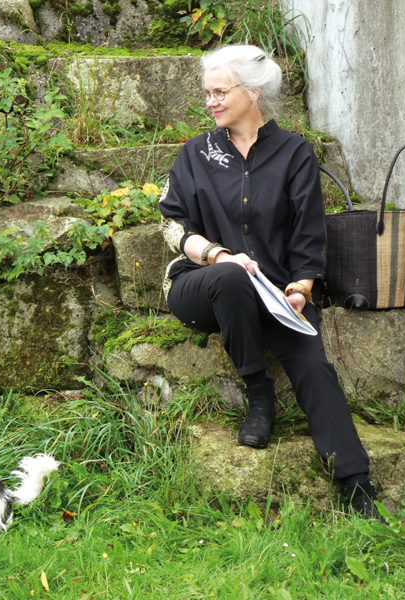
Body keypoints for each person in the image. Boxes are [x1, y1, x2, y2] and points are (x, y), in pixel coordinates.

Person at [158, 44, 380, 519]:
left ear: (253, 93)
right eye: (208, 93)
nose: (211, 101)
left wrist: (300, 288)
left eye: (220, 92)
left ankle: (357, 486)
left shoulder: (294, 152)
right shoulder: (195, 153)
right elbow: (172, 226)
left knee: (314, 365)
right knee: (231, 276)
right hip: (199, 283)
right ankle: (259, 393)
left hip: (274, 293)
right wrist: (217, 254)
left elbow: (308, 232)